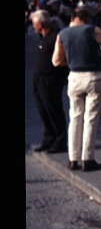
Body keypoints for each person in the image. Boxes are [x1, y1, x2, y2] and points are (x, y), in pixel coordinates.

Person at [52, 7, 101, 172]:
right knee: (91, 118)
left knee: (75, 117)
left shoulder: (62, 34)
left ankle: (73, 159)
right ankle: (88, 159)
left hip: (74, 77)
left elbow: (56, 61)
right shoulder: (91, 30)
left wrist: (72, 61)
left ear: (72, 18)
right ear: (86, 19)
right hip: (93, 76)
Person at [30, 10, 69, 154]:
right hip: (40, 78)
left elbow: (63, 57)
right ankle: (49, 138)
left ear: (40, 24)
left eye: (34, 24)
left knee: (53, 109)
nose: (33, 27)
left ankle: (60, 141)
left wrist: (62, 77)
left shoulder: (55, 36)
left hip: (50, 78)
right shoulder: (45, 37)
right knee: (43, 110)